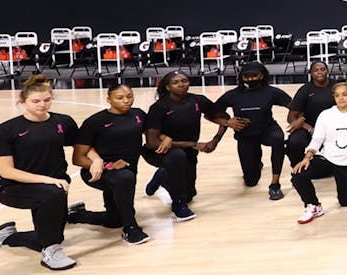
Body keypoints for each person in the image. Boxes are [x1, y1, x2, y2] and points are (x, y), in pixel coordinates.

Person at [0, 75, 82, 269]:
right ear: (22, 102)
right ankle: (50, 253)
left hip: (54, 185)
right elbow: (6, 171)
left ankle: (7, 236)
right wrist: (47, 180)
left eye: (47, 100)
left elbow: (82, 145)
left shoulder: (63, 122)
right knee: (51, 228)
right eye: (36, 101)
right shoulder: (6, 130)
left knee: (52, 235)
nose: (42, 105)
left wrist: (96, 159)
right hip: (15, 187)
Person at [63, 84, 150, 245]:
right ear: (108, 99)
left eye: (129, 96)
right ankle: (130, 228)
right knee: (124, 178)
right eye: (120, 98)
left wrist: (166, 138)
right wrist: (106, 165)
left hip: (126, 171)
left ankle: (75, 214)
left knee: (114, 220)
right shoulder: (95, 122)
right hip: (98, 172)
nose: (126, 101)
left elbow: (152, 135)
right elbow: (78, 158)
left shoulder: (138, 115)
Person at [142, 71, 228, 222]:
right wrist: (194, 144)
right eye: (176, 82)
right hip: (161, 152)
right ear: (167, 87)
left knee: (189, 195)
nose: (181, 84)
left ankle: (162, 176)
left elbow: (224, 118)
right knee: (177, 156)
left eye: (184, 81)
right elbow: (152, 142)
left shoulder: (197, 100)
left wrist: (215, 140)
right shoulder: (159, 107)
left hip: (189, 151)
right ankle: (178, 205)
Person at [291, 82, 347, 224]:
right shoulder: (326, 115)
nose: (341, 98)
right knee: (298, 174)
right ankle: (313, 205)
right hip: (328, 158)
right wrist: (307, 157)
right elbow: (317, 139)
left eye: (344, 95)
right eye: (337, 95)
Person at [215, 62, 293, 199]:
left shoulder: (272, 92)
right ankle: (257, 163)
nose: (250, 79)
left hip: (267, 130)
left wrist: (296, 120)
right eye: (247, 76)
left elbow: (294, 106)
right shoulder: (233, 95)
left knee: (278, 138)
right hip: (246, 135)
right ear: (241, 77)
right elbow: (211, 113)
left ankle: (275, 184)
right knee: (251, 181)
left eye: (254, 76)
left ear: (262, 76)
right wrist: (227, 122)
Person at [285, 61, 336, 180]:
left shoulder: (336, 86)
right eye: (316, 70)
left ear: (327, 71)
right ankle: (298, 168)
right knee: (294, 143)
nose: (319, 72)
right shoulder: (305, 89)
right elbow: (291, 117)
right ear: (311, 73)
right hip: (309, 127)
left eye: (322, 69)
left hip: (333, 127)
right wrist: (309, 128)